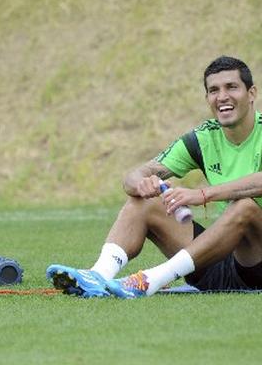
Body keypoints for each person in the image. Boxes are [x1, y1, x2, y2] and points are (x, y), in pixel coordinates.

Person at [47, 55, 262, 298]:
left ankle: (152, 279)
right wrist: (142, 183)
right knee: (145, 201)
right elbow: (133, 175)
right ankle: (97, 276)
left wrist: (202, 194)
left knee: (245, 207)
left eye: (231, 87)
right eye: (214, 90)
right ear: (207, 99)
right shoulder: (203, 138)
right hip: (224, 260)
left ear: (251, 93)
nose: (222, 96)